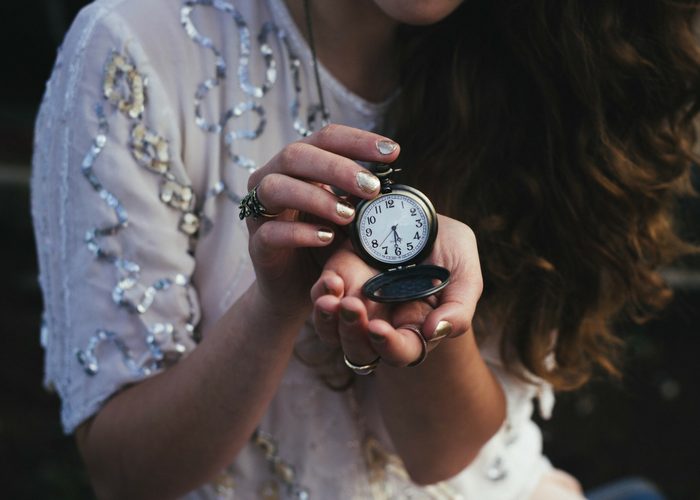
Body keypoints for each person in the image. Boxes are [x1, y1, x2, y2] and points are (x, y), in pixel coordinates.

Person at [31, 0, 700, 498]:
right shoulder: (134, 49)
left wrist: (424, 316)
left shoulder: (550, 64)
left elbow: (443, 456)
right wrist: (274, 303)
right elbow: (127, 474)